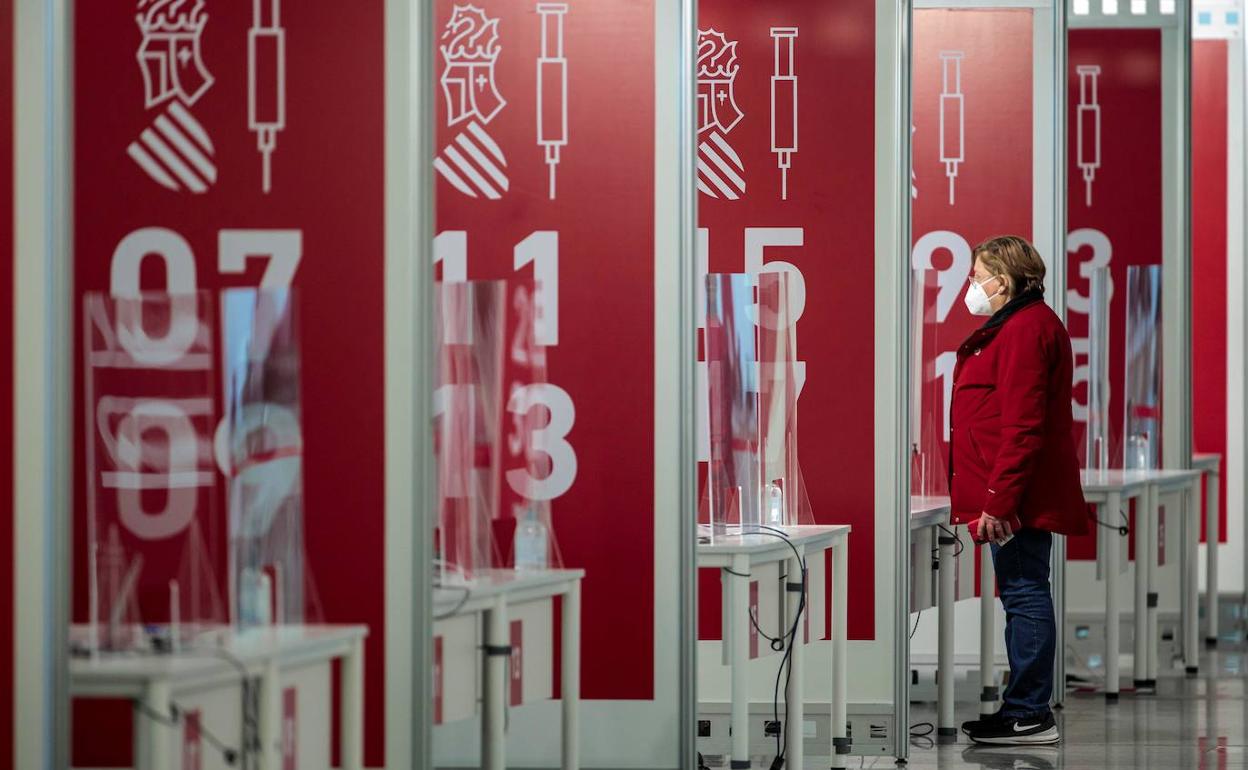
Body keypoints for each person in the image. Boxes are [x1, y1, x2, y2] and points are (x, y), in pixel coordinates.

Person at [949, 235, 1088, 745]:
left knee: (1026, 595)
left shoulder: (1026, 330)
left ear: (1002, 281)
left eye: (976, 274)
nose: (971, 284)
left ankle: (1029, 712)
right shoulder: (1021, 325)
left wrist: (998, 502)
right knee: (1022, 594)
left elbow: (1022, 426)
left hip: (1017, 499)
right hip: (1012, 494)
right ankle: (1021, 707)